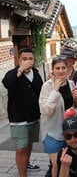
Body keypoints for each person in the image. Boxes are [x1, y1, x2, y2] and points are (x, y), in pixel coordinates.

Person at [2, 48, 43, 177]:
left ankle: (27, 162)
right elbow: (7, 83)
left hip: (34, 117)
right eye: (24, 59)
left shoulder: (35, 73)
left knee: (29, 143)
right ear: (19, 60)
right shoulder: (13, 73)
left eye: (30, 59)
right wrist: (20, 70)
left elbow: (40, 90)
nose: (28, 61)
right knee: (21, 148)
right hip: (18, 118)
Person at [39, 56, 77, 177]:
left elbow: (76, 107)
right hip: (52, 132)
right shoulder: (47, 86)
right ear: (52, 70)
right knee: (56, 165)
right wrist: (55, 90)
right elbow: (45, 110)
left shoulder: (71, 84)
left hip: (68, 132)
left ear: (68, 69)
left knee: (67, 164)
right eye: (57, 68)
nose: (61, 70)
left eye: (63, 67)